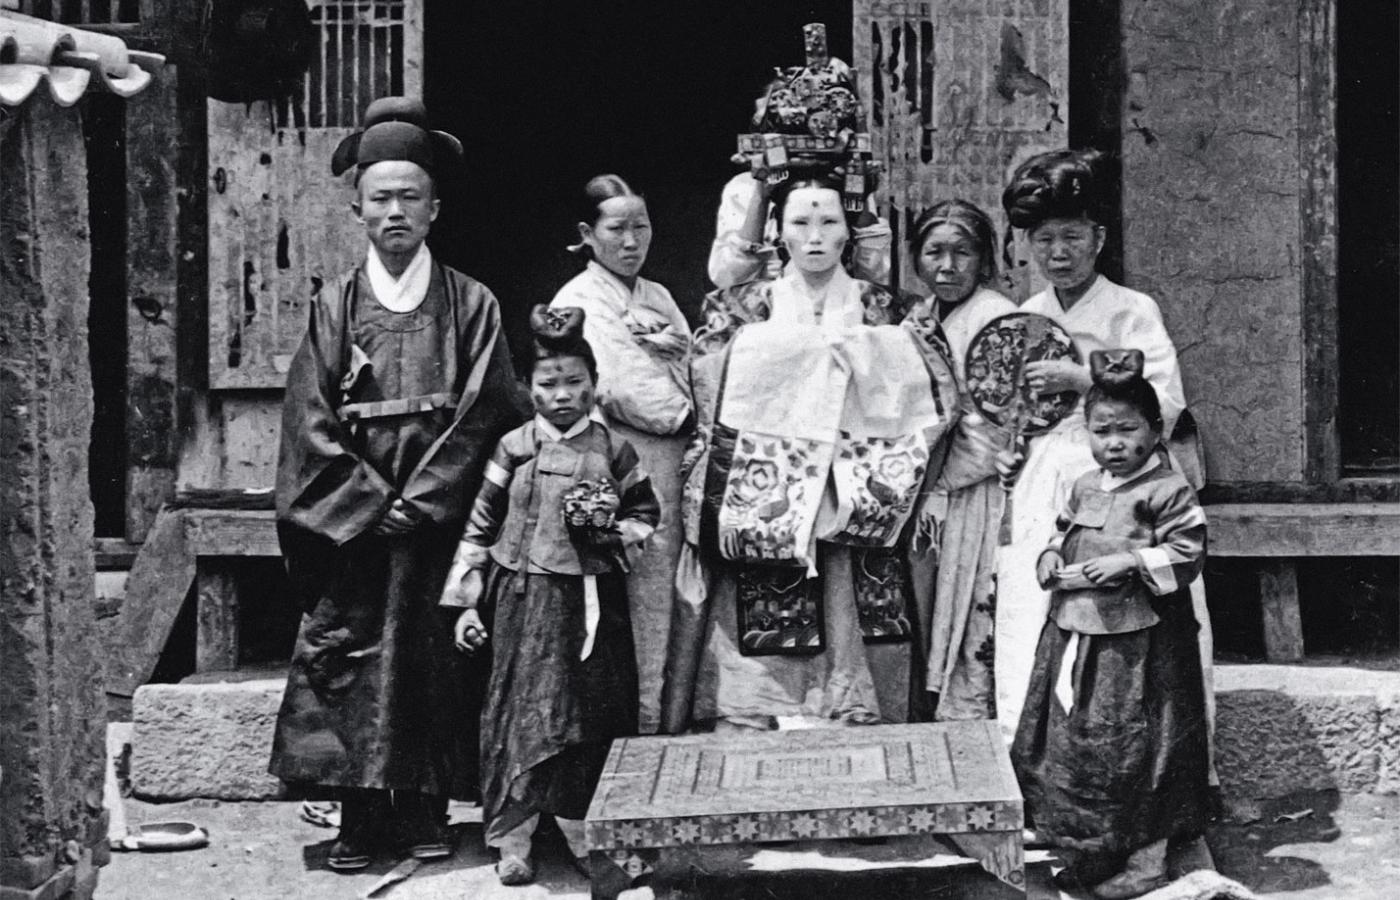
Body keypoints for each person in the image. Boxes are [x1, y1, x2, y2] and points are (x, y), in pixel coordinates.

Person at [269, 97, 527, 871]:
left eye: (410, 197)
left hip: (439, 520)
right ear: (357, 208)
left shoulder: (471, 303)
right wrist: (369, 503)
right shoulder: (336, 305)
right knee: (350, 658)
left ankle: (424, 807)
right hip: (356, 524)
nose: (395, 212)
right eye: (380, 198)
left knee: (434, 662)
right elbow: (309, 419)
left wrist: (426, 500)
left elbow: (488, 408)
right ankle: (357, 815)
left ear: (434, 207)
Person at [662, 171, 960, 733]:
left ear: (850, 231)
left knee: (854, 604)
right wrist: (804, 354)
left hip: (855, 483)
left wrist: (858, 350)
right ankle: (756, 709)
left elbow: (935, 385)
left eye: (829, 221)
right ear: (778, 229)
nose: (815, 236)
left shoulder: (891, 310)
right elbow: (706, 377)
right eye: (801, 222)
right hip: (772, 486)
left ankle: (852, 706)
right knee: (762, 601)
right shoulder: (739, 307)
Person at [992, 149, 1216, 759]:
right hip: (1045, 476)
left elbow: (1165, 402)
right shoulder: (1028, 316)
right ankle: (1036, 767)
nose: (1058, 253)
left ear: (1098, 238)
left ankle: (1138, 774)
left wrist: (1083, 379)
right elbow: (1016, 409)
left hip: (1124, 475)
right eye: (1043, 240)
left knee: (1120, 620)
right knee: (1034, 605)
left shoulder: (1132, 309)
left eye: (1071, 237)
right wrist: (1013, 451)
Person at [441, 306, 659, 885]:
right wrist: (466, 605)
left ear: (594, 384)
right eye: (548, 383)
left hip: (588, 606)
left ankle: (587, 834)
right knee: (516, 713)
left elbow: (646, 515)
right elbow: (479, 526)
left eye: (574, 382)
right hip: (517, 600)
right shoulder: (512, 447)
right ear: (527, 388)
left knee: (582, 715)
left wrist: (610, 532)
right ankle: (513, 839)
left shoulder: (614, 451)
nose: (562, 395)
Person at [1012, 350, 1210, 899]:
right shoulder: (1085, 484)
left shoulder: (1168, 490)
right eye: (1102, 432)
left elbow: (1189, 553)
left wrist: (1131, 561)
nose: (1115, 443)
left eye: (1128, 430)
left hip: (1144, 646)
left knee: (1142, 746)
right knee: (1078, 738)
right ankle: (1087, 844)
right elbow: (1063, 530)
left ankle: (1146, 862)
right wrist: (1051, 555)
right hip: (1079, 633)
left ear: (1154, 431)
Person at [549, 175, 693, 734]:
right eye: (616, 229)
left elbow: (691, 363)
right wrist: (691, 416)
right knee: (632, 590)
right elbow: (621, 384)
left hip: (673, 461)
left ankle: (668, 715)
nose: (631, 241)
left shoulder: (657, 296)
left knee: (669, 586)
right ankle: (638, 723)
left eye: (641, 226)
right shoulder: (579, 300)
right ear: (587, 234)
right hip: (620, 459)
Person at [904, 200, 1018, 721]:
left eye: (962, 253)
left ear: (985, 260)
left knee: (976, 602)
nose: (947, 267)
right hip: (930, 484)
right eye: (934, 253)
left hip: (977, 484)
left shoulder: (995, 317)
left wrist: (940, 482)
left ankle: (973, 714)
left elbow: (999, 424)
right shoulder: (920, 315)